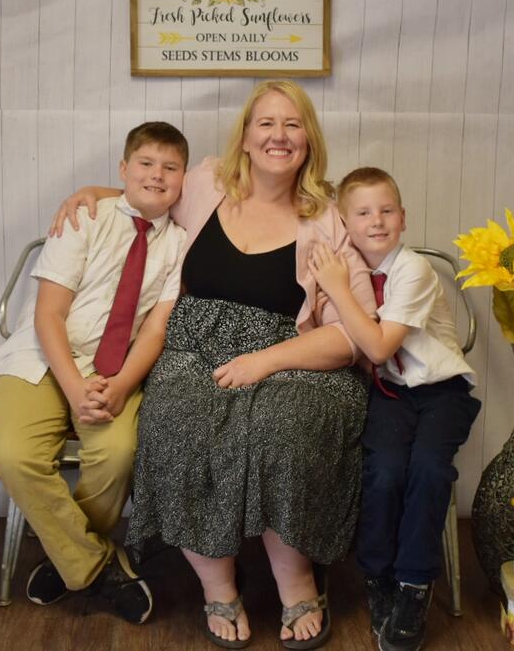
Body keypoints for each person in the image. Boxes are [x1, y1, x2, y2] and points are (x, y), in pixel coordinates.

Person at [52, 80, 376, 649]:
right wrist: (91, 191)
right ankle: (218, 586)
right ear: (245, 137)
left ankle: (297, 583)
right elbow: (148, 190)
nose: (279, 136)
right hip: (192, 348)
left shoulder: (327, 219)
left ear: (309, 139)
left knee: (281, 426)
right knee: (177, 418)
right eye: (266, 123)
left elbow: (353, 333)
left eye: (293, 124)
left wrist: (264, 362)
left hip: (295, 358)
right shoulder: (206, 184)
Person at [0, 121, 190, 624]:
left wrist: (121, 386)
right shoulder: (86, 216)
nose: (157, 175)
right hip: (42, 358)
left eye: (170, 167)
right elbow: (48, 315)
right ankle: (96, 567)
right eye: (145, 163)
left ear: (184, 179)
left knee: (118, 454)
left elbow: (155, 330)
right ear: (123, 169)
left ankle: (66, 559)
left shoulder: (180, 244)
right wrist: (74, 386)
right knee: (15, 458)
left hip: (114, 370)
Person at [308, 167, 481, 651]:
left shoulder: (413, 271)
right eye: (363, 213)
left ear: (403, 218)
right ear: (345, 223)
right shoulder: (349, 267)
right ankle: (378, 576)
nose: (377, 221)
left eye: (387, 211)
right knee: (383, 472)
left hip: (441, 392)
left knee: (428, 469)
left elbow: (380, 347)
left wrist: (338, 289)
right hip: (390, 393)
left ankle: (414, 584)